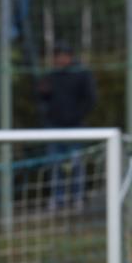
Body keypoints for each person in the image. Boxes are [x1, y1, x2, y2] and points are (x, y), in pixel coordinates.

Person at [38, 42, 96, 209]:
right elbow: (42, 99)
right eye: (58, 56)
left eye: (64, 55)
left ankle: (78, 197)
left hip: (75, 127)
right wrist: (43, 99)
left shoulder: (82, 74)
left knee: (76, 164)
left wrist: (76, 115)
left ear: (70, 57)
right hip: (54, 128)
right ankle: (58, 198)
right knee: (55, 165)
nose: (60, 59)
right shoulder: (51, 75)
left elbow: (90, 99)